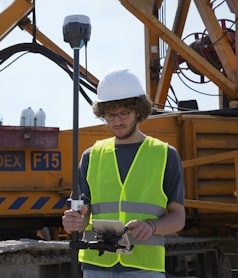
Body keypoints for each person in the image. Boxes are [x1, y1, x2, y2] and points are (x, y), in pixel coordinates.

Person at [62, 68, 185, 278]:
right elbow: (83, 215)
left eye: (123, 113)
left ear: (138, 110)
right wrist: (72, 222)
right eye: (110, 115)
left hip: (144, 267)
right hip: (96, 264)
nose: (117, 121)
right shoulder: (92, 156)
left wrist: (152, 226)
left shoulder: (164, 155)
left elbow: (178, 218)